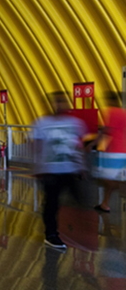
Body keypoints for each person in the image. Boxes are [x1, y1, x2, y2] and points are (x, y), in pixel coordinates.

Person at [32, 92, 88, 250]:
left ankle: (78, 230)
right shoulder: (41, 123)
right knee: (52, 203)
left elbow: (79, 145)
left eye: (62, 102)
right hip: (50, 171)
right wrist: (38, 167)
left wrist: (82, 166)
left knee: (80, 200)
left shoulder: (75, 123)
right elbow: (37, 146)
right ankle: (51, 235)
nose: (60, 105)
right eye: (57, 102)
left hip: (70, 169)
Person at [94, 91, 126, 212]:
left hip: (114, 152)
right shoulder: (124, 113)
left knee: (105, 178)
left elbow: (107, 130)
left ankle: (109, 200)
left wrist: (93, 142)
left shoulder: (112, 112)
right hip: (123, 151)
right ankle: (104, 204)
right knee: (113, 179)